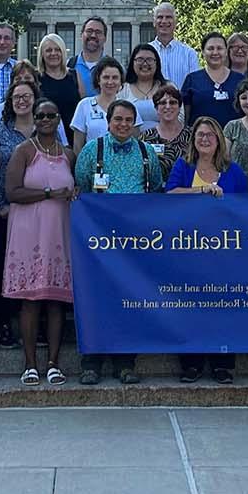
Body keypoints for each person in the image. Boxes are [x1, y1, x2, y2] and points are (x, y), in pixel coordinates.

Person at [73, 99, 161, 384]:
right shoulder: (92, 149)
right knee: (97, 298)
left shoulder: (147, 153)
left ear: (135, 123)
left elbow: (156, 187)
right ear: (108, 121)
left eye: (128, 120)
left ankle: (125, 363)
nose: (123, 125)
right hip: (99, 241)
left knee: (131, 299)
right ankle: (92, 362)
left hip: (136, 241)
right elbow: (83, 184)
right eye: (117, 119)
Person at [166, 117, 248, 383]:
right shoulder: (184, 165)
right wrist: (202, 191)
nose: (204, 139)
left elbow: (246, 209)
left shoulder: (233, 171)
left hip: (224, 251)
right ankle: (191, 363)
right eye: (200, 135)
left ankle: (222, 364)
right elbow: (169, 196)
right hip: (189, 249)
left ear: (219, 140)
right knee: (189, 307)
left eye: (210, 135)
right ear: (193, 140)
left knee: (224, 307)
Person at [3, 101, 78, 386]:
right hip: (28, 231)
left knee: (56, 299)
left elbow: (75, 188)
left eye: (51, 115)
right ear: (34, 120)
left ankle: (54, 363)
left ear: (59, 119)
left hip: (58, 232)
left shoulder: (68, 154)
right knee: (31, 300)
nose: (46, 119)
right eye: (41, 116)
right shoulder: (23, 151)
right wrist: (48, 193)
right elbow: (12, 191)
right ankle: (30, 363)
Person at [0, 83, 48, 350]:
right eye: (16, 97)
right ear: (9, 101)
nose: (22, 101)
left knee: (39, 267)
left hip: (40, 214)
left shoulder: (46, 131)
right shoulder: (0, 134)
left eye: (27, 96)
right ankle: (4, 324)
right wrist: (0, 206)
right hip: (5, 214)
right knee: (2, 269)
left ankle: (40, 326)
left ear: (35, 100)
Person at [180, 32, 243, 126]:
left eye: (219, 48)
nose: (215, 52)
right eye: (210, 48)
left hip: (234, 138)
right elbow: (185, 117)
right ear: (203, 52)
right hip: (202, 138)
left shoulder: (240, 80)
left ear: (226, 52)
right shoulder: (192, 80)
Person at [70, 56, 126, 150]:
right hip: (92, 163)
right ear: (98, 79)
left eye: (115, 78)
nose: (110, 82)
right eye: (106, 77)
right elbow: (77, 146)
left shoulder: (128, 107)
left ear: (121, 81)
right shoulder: (84, 105)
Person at [142, 83, 191, 175]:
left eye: (172, 102)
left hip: (186, 187)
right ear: (156, 108)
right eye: (163, 103)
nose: (168, 107)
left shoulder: (192, 136)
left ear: (180, 107)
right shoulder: (146, 136)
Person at [149, 2, 200, 84]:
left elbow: (195, 85)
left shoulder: (189, 54)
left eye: (168, 17)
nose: (164, 21)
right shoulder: (145, 53)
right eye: (160, 17)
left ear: (176, 22)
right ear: (154, 22)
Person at [117, 43, 165, 131]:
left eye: (150, 60)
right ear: (132, 63)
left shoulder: (167, 87)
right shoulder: (122, 90)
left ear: (157, 63)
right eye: (140, 59)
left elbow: (179, 118)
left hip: (164, 141)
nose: (145, 64)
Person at [35, 33, 83, 119]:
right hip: (45, 129)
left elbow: (83, 108)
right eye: (48, 50)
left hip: (72, 130)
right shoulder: (35, 77)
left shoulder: (74, 75)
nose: (53, 53)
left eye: (57, 50)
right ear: (42, 54)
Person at [72, 16, 110, 95]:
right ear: (81, 35)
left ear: (105, 38)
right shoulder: (68, 66)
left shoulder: (116, 68)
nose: (93, 35)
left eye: (98, 32)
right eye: (89, 31)